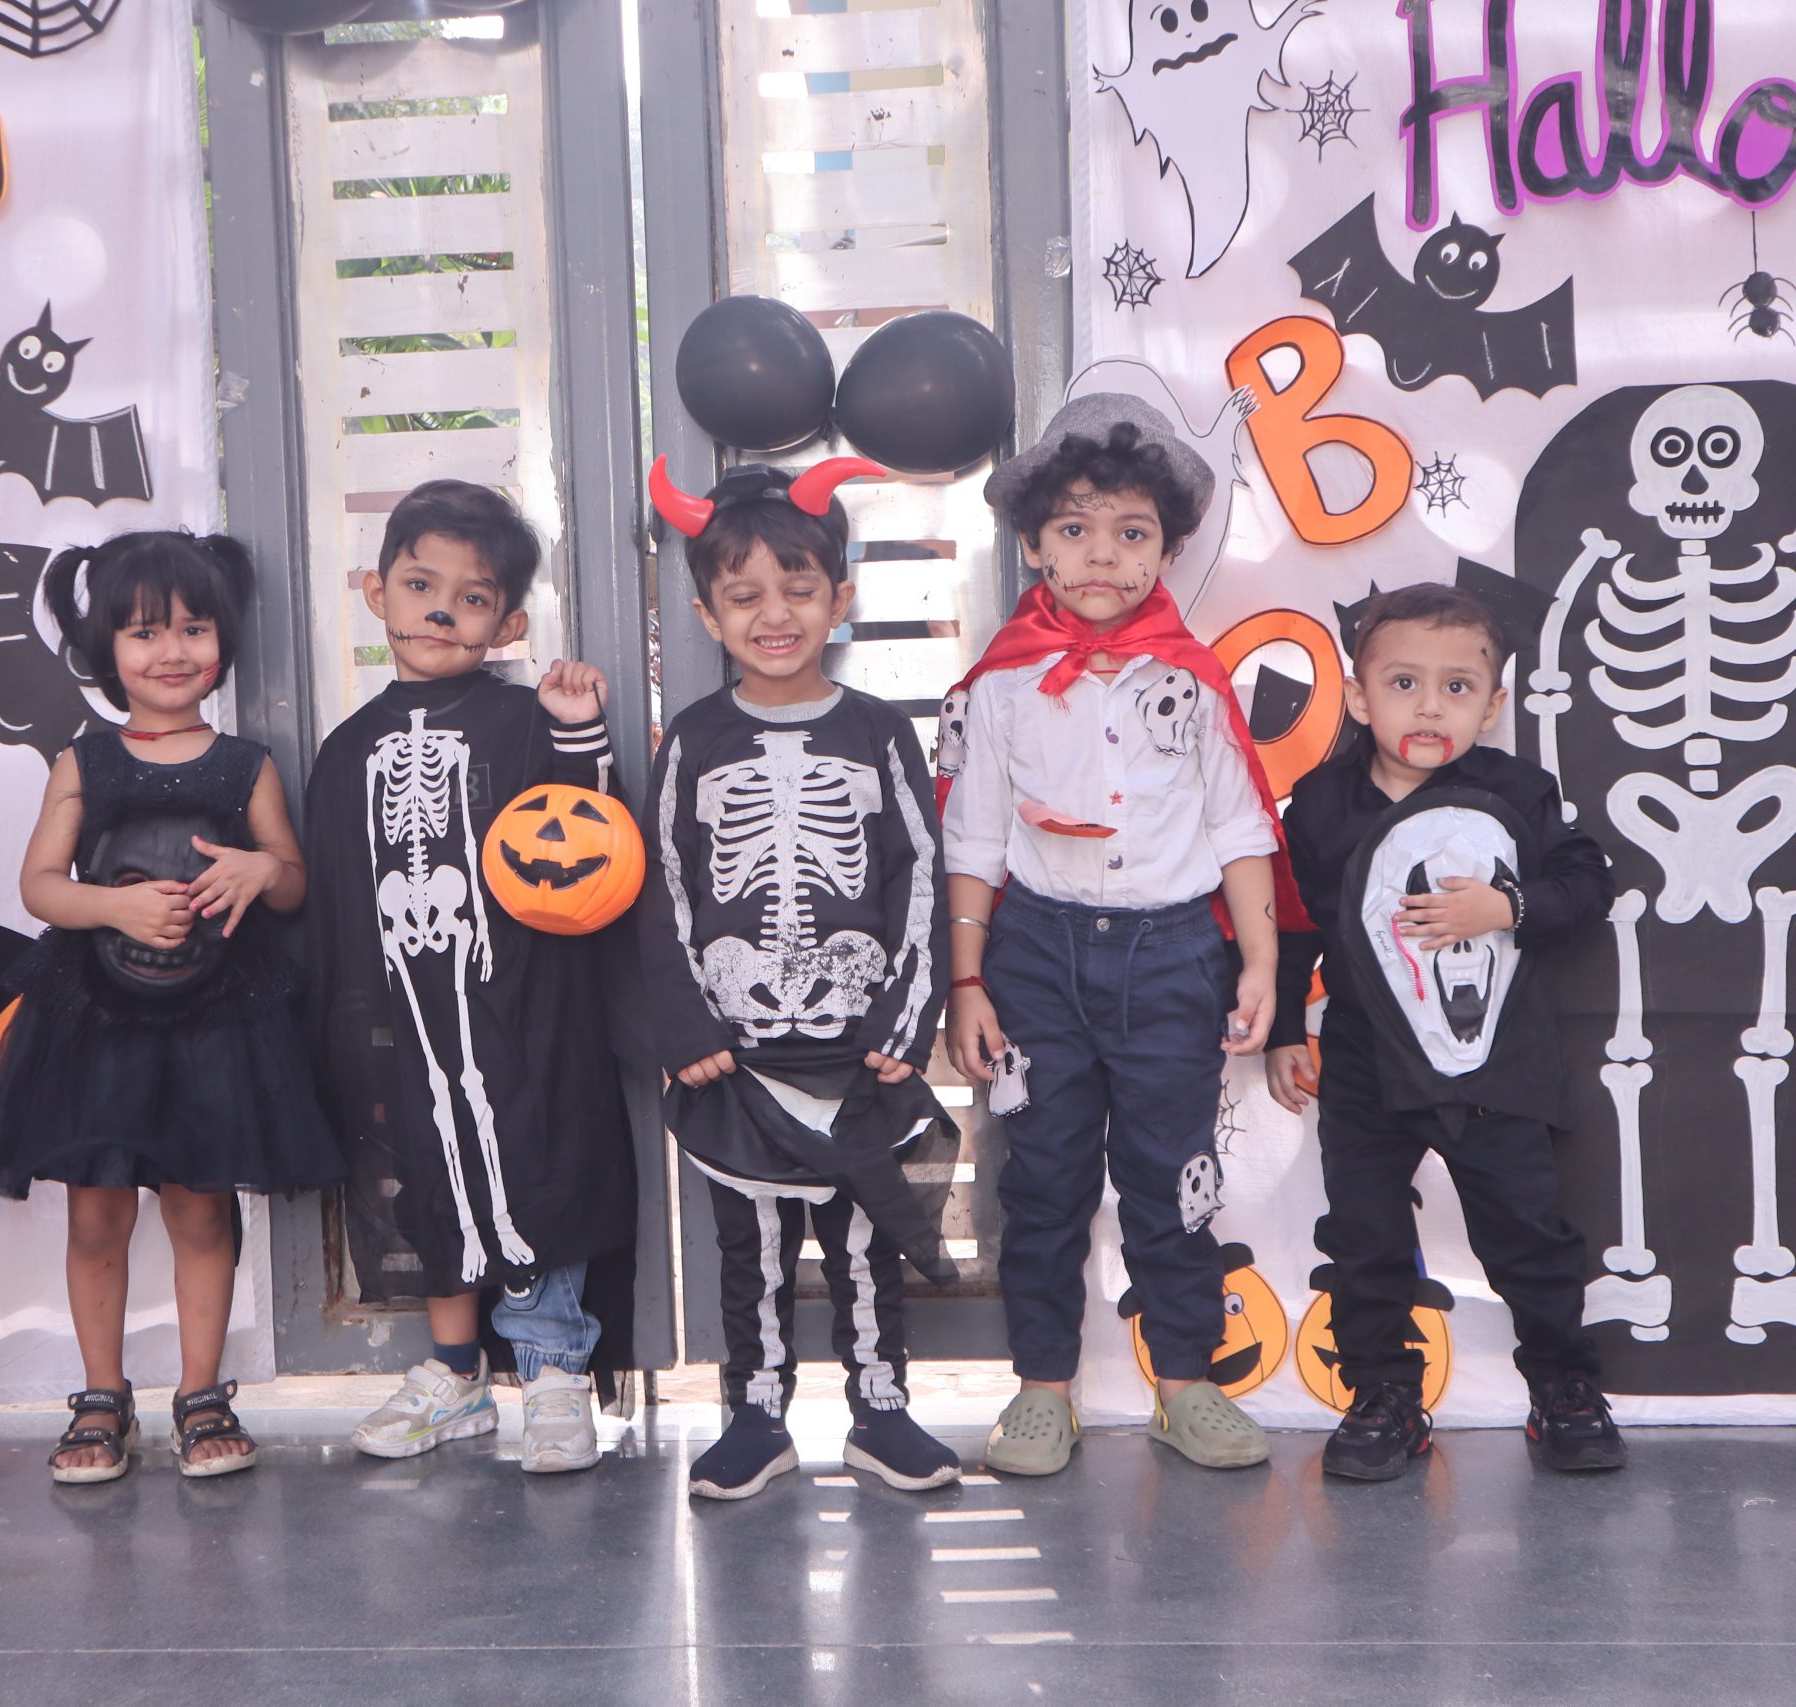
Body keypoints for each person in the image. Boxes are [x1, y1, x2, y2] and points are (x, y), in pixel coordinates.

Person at [939, 394, 1294, 1477]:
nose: (1103, 554)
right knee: (1041, 1180)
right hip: (1035, 957)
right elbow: (974, 836)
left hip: (1173, 956)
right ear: (1034, 544)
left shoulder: (1193, 681)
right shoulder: (1002, 684)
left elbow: (1241, 829)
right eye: (1076, 528)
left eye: (1131, 532)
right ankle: (1042, 1389)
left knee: (1173, 1174)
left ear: (1167, 550)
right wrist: (967, 980)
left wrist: (1261, 961)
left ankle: (1184, 1382)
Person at [0, 530, 344, 1484]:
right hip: (99, 1022)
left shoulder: (245, 765)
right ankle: (101, 1394)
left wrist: (262, 870)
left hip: (217, 1022)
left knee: (202, 1214)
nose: (172, 650)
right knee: (97, 1219)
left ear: (223, 640)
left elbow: (293, 881)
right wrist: (116, 907)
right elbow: (41, 886)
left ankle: (202, 1393)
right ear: (105, 649)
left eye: (193, 628)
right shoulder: (84, 761)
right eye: (144, 632)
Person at [638, 454, 961, 1502]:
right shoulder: (695, 738)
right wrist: (685, 1024)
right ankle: (756, 1415)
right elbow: (663, 885)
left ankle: (881, 1410)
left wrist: (907, 1019)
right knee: (754, 1248)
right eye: (744, 597)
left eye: (798, 588)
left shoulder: (879, 731)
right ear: (707, 615)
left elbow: (921, 876)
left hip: (858, 1044)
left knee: (865, 1240)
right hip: (735, 1052)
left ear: (841, 598)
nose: (774, 614)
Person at [305, 479, 638, 1475]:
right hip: (400, 1009)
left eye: (473, 596)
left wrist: (577, 734)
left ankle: (552, 1368)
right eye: (420, 585)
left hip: (524, 1006)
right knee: (429, 1164)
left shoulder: (525, 721)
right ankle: (455, 1373)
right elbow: (334, 903)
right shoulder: (345, 752)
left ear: (509, 624)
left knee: (533, 1161)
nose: (442, 611)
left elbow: (593, 840)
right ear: (376, 592)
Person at [1265, 582, 1626, 1480]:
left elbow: (1588, 881)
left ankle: (1564, 1386)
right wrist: (1283, 1027)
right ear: (1359, 697)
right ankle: (1384, 1394)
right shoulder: (1319, 803)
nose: (1430, 706)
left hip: (1498, 1058)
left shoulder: (1519, 792)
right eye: (1404, 683)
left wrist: (1506, 905)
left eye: (1457, 687)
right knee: (1365, 1232)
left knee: (1528, 1230)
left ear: (1492, 704)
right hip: (1367, 1058)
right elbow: (1294, 924)